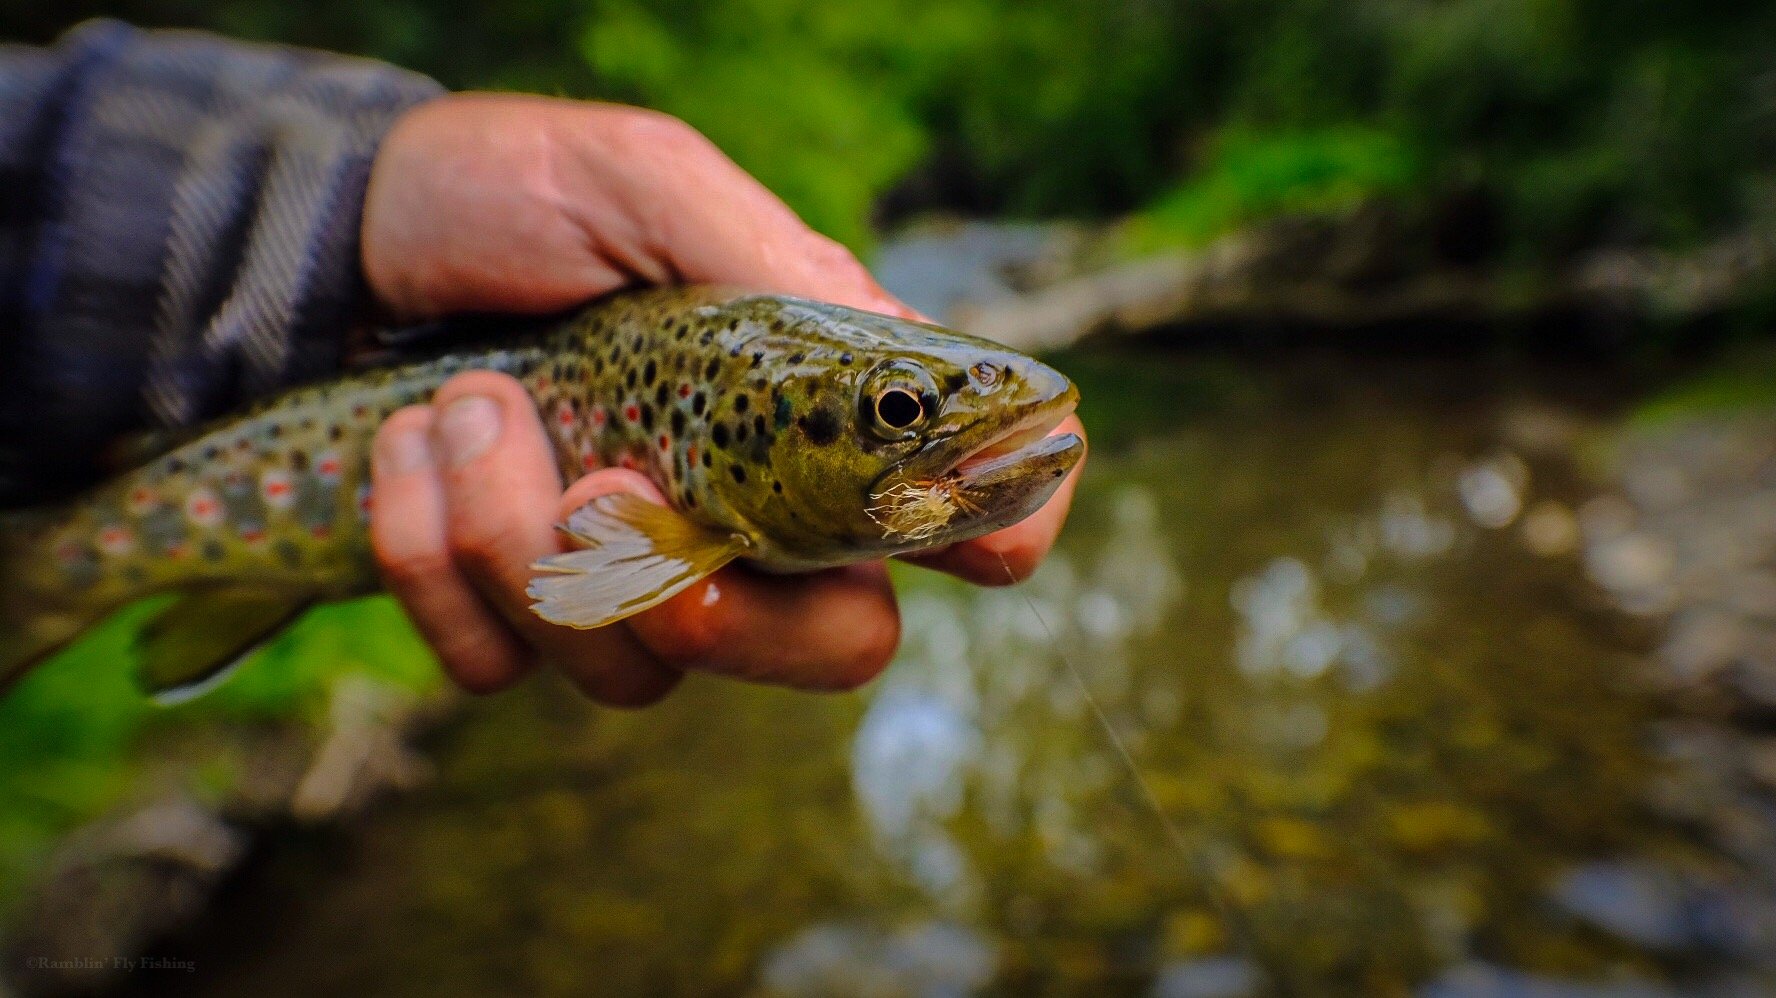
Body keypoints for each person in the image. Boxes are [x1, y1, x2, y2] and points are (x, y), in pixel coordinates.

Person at [0, 20, 1086, 705]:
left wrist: (341, 206)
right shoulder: (708, 503)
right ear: (741, 430)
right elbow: (603, 576)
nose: (920, 429)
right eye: (898, 406)